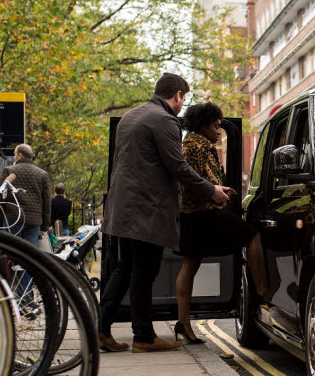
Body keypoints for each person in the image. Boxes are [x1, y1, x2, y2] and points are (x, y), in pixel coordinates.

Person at [100, 73, 233, 353]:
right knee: (144, 271)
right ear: (177, 96)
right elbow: (178, 167)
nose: (182, 105)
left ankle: (101, 329)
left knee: (124, 268)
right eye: (183, 98)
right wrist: (211, 190)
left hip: (121, 205)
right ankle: (144, 337)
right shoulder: (165, 121)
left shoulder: (131, 116)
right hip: (146, 209)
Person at [173, 102, 268, 344]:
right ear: (203, 124)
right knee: (252, 235)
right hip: (203, 212)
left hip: (193, 213)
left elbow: (200, 179)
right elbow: (191, 182)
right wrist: (214, 193)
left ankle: (183, 323)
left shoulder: (195, 143)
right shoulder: (196, 146)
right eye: (215, 126)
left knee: (191, 264)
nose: (218, 131)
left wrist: (217, 188)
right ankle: (261, 292)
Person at [0, 143, 52, 248]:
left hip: (13, 217)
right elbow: (47, 201)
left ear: (20, 155)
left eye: (15, 154)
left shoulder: (9, 171)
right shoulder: (42, 174)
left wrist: (3, 215)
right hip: (34, 220)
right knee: (29, 252)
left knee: (11, 250)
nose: (14, 157)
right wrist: (45, 225)